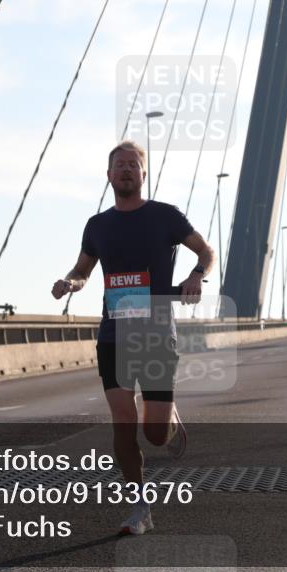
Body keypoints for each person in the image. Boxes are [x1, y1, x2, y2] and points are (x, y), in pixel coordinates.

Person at [51, 140, 214, 536]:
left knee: (154, 435)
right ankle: (139, 508)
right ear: (108, 176)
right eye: (119, 165)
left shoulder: (165, 217)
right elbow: (83, 269)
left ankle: (168, 420)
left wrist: (196, 276)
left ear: (143, 175)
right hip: (113, 335)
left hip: (156, 334)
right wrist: (70, 283)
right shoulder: (97, 225)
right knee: (122, 423)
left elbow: (205, 252)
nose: (126, 170)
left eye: (133, 165)